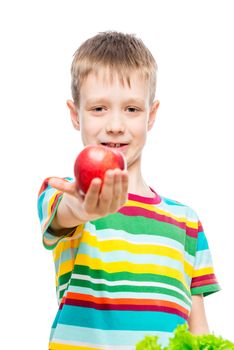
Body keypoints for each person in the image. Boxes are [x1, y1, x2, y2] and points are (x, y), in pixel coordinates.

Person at [37, 31, 221, 349]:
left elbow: (199, 329)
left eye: (132, 109)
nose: (116, 125)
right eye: (99, 109)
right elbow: (63, 218)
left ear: (151, 115)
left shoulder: (187, 222)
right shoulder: (65, 194)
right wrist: (84, 208)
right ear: (74, 114)